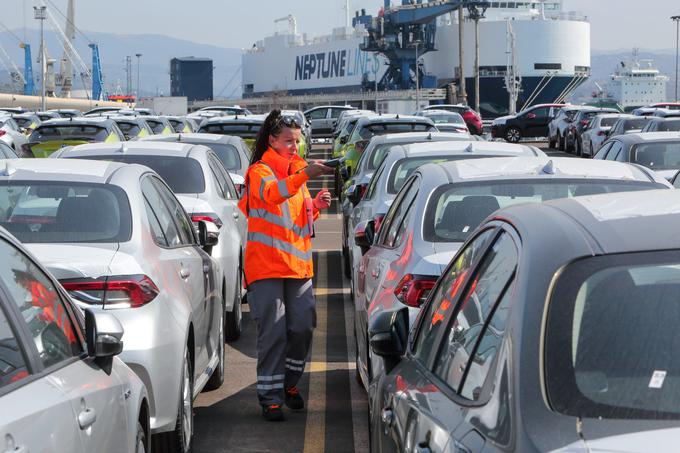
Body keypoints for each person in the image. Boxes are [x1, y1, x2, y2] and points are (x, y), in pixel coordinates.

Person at [238, 109, 333, 421]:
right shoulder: (260, 172)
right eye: (289, 141)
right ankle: (270, 397)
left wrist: (315, 208)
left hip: (297, 267)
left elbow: (297, 221)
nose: (295, 146)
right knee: (274, 333)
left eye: (297, 141)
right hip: (265, 268)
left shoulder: (296, 172)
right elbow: (271, 195)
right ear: (272, 141)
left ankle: (289, 383)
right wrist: (305, 175)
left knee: (302, 328)